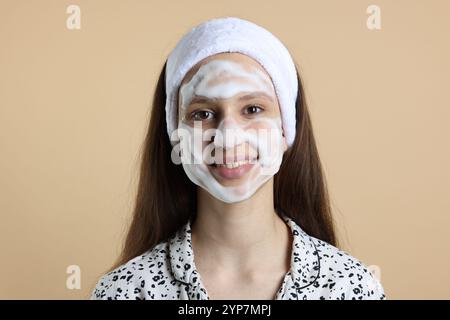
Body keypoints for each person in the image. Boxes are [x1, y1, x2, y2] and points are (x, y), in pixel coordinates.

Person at [90, 16, 385, 300]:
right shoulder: (125, 292)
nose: (228, 137)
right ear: (176, 134)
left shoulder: (350, 287)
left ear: (286, 129)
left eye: (253, 109)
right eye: (202, 114)